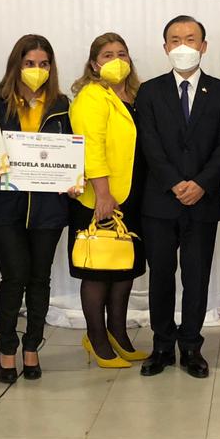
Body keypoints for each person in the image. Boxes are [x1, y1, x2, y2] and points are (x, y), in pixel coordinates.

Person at [136, 15, 220, 379]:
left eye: (190, 39)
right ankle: (162, 345)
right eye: (175, 40)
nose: (183, 46)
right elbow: (149, 143)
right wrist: (175, 182)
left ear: (204, 46)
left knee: (196, 276)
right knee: (161, 275)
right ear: (165, 48)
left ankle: (191, 346)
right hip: (160, 201)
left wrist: (202, 183)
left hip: (203, 200)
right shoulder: (148, 91)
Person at [0, 34, 75, 383]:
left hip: (48, 207)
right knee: (14, 275)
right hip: (3, 206)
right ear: (16, 65)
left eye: (43, 64)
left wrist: (72, 177)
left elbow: (72, 154)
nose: (37, 70)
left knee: (39, 278)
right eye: (30, 63)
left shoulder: (63, 104)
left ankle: (32, 345)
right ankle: (6, 348)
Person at [68, 32, 150, 368]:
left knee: (124, 267)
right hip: (101, 197)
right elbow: (91, 145)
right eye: (106, 55)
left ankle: (119, 333)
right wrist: (103, 192)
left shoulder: (137, 95)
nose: (115, 60)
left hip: (134, 193)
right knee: (99, 269)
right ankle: (96, 338)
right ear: (93, 64)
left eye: (121, 53)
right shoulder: (92, 96)